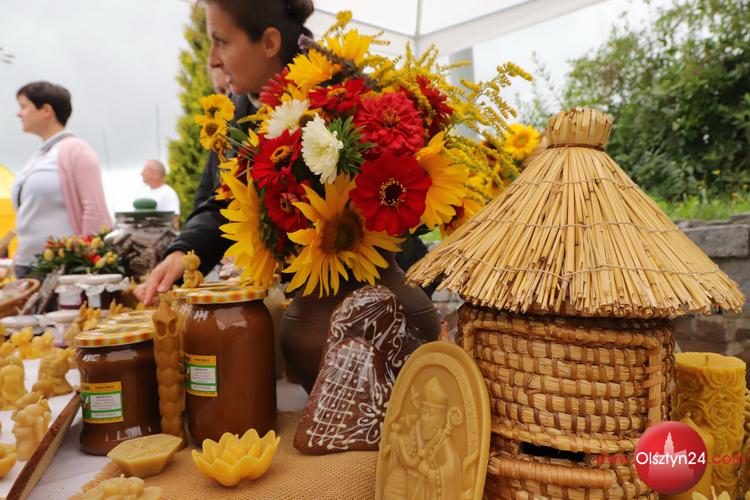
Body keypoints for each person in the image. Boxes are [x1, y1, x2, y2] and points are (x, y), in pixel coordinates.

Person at [135, 0, 315, 305]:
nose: (212, 60)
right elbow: (226, 198)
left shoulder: (335, 97)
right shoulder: (240, 111)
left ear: (269, 43)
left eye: (221, 41)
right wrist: (184, 250)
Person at [12, 81, 111, 278]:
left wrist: (85, 264)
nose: (19, 113)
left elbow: (95, 210)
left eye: (24, 106)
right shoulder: (39, 156)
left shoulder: (77, 150)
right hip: (27, 266)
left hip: (62, 270)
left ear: (46, 110)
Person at [136, 159, 181, 229]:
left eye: (145, 171)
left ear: (156, 175)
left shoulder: (168, 193)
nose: (141, 173)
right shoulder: (142, 191)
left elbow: (174, 221)